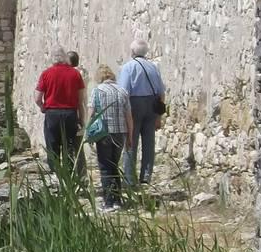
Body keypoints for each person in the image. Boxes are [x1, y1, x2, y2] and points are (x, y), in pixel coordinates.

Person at [118, 38, 166, 186]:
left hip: (134, 104)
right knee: (149, 141)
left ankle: (129, 178)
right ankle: (146, 176)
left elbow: (123, 92)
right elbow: (161, 91)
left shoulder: (128, 67)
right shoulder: (153, 67)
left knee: (131, 141)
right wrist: (159, 116)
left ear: (132, 51)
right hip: (152, 103)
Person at [87, 64, 133, 209]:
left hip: (104, 133)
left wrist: (88, 133)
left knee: (105, 167)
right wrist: (130, 137)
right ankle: (118, 201)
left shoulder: (97, 91)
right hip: (120, 133)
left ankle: (108, 202)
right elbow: (129, 117)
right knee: (114, 166)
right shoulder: (123, 91)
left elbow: (91, 113)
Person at [35, 48, 85, 171]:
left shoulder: (46, 73)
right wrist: (81, 119)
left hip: (52, 113)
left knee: (52, 145)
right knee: (69, 145)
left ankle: (55, 174)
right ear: (65, 59)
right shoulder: (75, 74)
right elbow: (80, 100)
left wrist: (42, 107)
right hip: (70, 113)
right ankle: (69, 176)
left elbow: (37, 97)